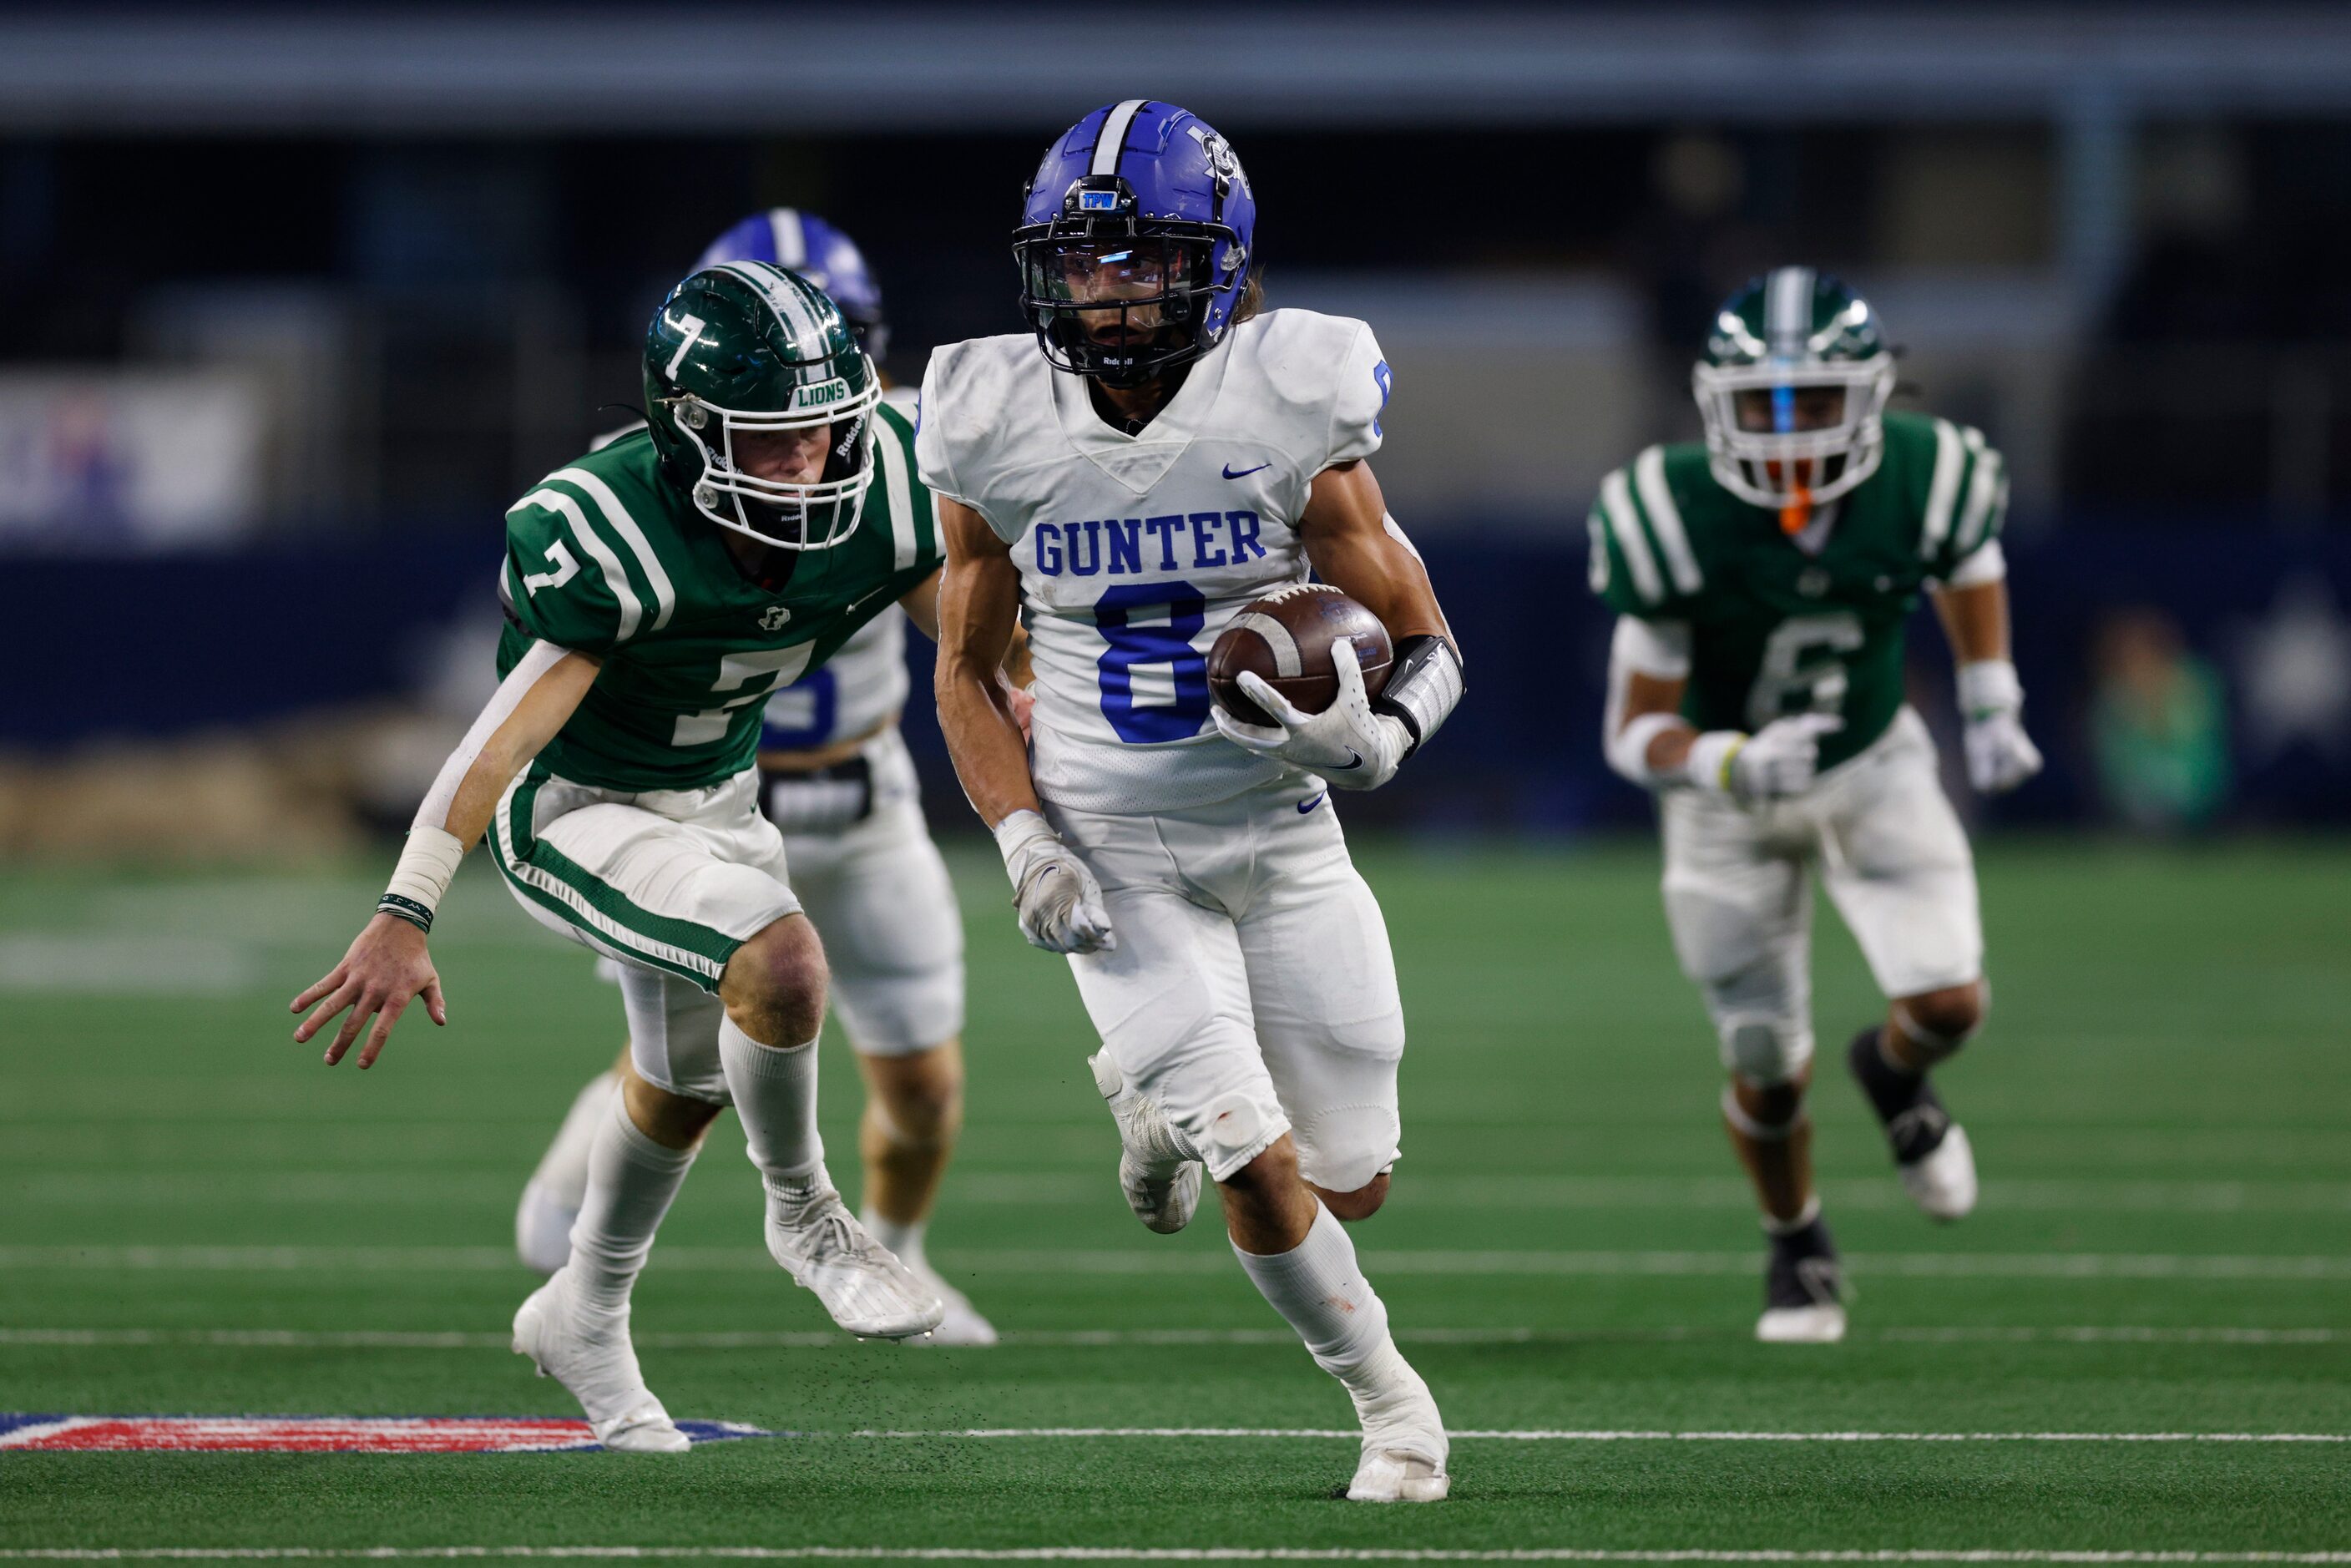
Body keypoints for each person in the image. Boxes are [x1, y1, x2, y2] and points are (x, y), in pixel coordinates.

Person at [291, 261, 958, 1451]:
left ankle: (584, 1310)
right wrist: (407, 906)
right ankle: (806, 1216)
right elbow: (503, 742)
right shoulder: (607, 526)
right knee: (784, 964)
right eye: (772, 443)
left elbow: (981, 651)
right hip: (578, 805)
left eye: (822, 434)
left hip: (718, 796)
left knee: (688, 1080)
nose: (809, 465)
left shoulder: (891, 491)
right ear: (689, 434)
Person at [919, 101, 1466, 1501]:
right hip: (1116, 852)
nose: (1108, 292)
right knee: (1258, 1163)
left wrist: (1386, 736)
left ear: (1216, 264)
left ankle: (1148, 1099)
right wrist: (1024, 833)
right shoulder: (990, 420)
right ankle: (1391, 1406)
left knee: (1356, 1178)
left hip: (1283, 831)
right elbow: (967, 673)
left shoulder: (1292, 397)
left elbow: (1428, 637)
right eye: (1083, 262)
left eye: (1142, 260)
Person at [515, 209, 1003, 1346]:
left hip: (865, 791)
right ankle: (575, 1229)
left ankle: (899, 1247)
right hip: (709, 802)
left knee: (922, 1071)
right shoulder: (640, 494)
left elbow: (980, 627)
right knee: (692, 1052)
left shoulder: (902, 457)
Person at [1590, 269, 2044, 1343]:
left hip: (1872, 762)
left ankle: (1890, 1078)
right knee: (1760, 1057)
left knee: (1947, 1004)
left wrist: (1989, 698)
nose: (1787, 430)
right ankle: (1795, 1241)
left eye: (1813, 400)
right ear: (1715, 406)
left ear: (1874, 397)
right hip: (1724, 801)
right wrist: (1727, 763)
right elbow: (1630, 732)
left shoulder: (1928, 476)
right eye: (1761, 405)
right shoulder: (1671, 511)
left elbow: (1969, 560)